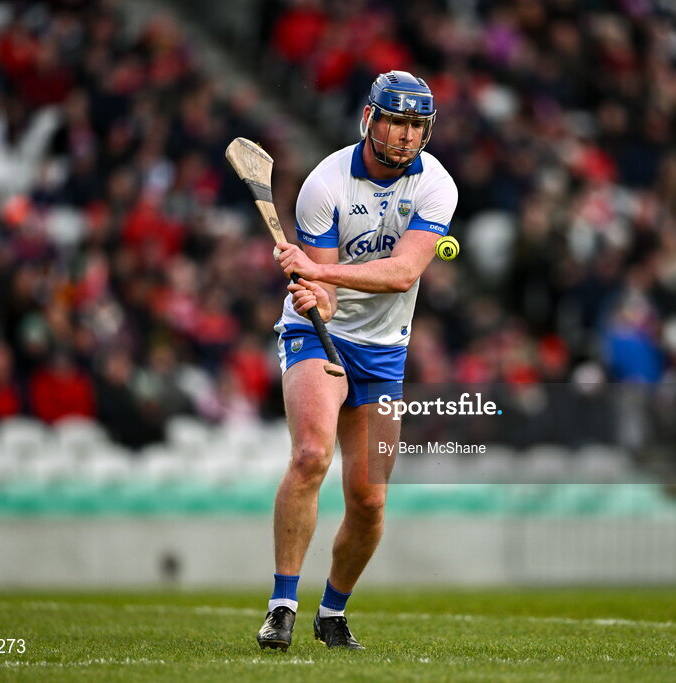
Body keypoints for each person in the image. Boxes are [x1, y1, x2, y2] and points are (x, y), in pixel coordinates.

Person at [255, 71, 457, 650]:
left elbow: (402, 275)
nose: (404, 134)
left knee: (369, 500)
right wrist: (312, 290)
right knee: (312, 453)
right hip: (319, 334)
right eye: (395, 120)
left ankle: (333, 613)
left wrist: (318, 271)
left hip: (386, 348)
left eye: (416, 124)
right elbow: (327, 300)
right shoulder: (324, 183)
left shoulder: (437, 186)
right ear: (370, 119)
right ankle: (283, 604)